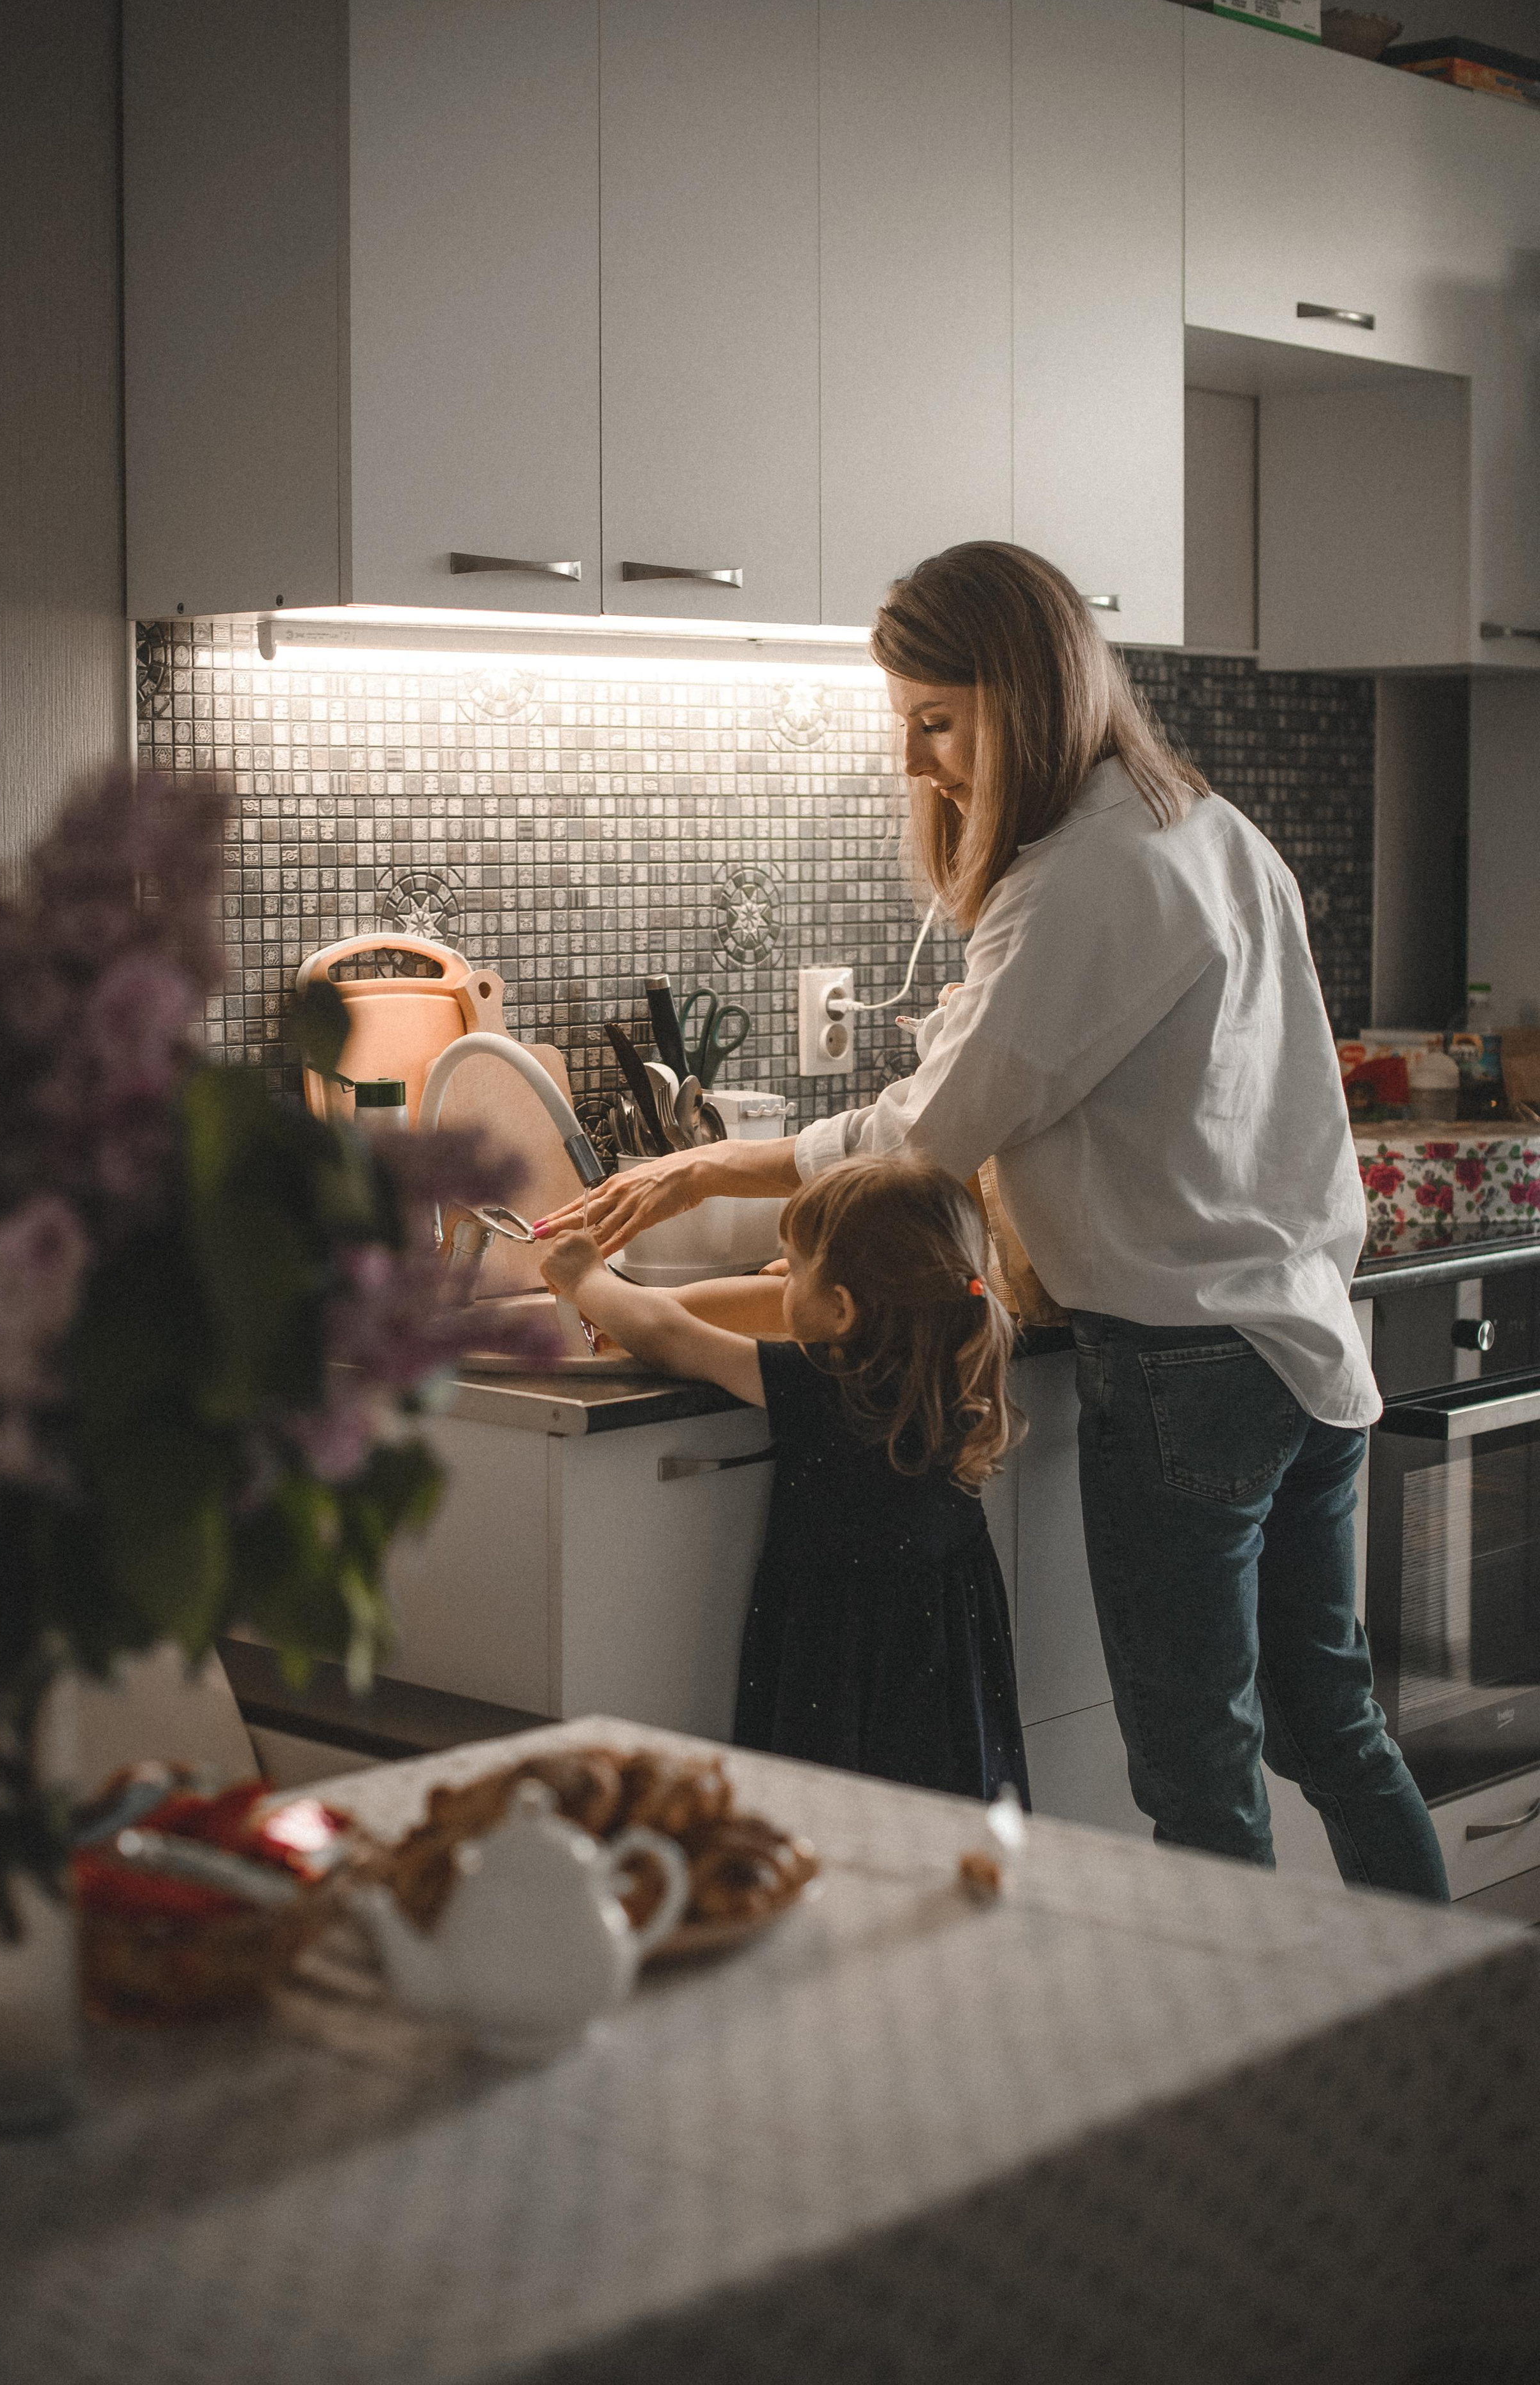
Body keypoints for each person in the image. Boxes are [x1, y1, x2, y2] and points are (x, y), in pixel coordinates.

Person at [541, 540, 1448, 1901]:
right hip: (1304, 1345)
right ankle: (1453, 2033)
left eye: (935, 722)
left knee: (1196, 1778)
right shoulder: (1199, 824)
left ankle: (1228, 2083)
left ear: (1019, 697)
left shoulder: (1083, 878)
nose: (916, 763)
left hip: (1184, 1368)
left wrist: (705, 1172)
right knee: (1333, 1729)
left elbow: (930, 1133)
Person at [541, 1154, 1028, 1803]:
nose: (778, 1278)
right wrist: (638, 1304)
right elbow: (709, 1308)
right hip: (939, 1652)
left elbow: (670, 1335)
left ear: (842, 1310)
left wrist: (587, 1281)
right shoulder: (936, 1361)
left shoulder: (830, 1386)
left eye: (793, 1267)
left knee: (833, 1809)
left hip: (843, 1649)